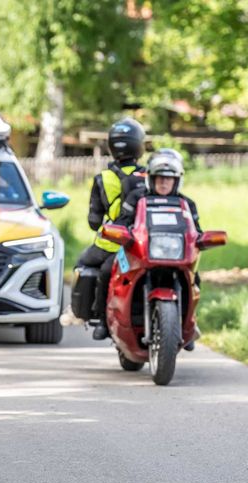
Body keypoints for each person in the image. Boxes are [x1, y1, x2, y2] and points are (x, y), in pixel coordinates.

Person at [116, 148, 202, 351]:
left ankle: (189, 325)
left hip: (176, 256)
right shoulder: (136, 198)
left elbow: (196, 231)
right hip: (138, 253)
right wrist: (122, 234)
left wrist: (202, 240)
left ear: (177, 181)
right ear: (150, 179)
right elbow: (122, 223)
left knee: (194, 281)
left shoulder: (187, 204)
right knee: (108, 271)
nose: (164, 182)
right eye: (159, 178)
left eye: (168, 179)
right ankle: (105, 319)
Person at [76, 117, 147, 341]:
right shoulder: (149, 176)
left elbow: (94, 222)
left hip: (111, 242)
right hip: (145, 240)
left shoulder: (102, 178)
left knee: (86, 265)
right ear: (139, 145)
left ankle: (100, 321)